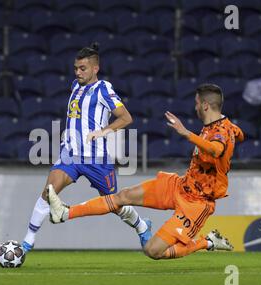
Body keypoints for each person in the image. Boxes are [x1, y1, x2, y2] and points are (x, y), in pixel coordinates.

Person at [48, 83, 244, 259]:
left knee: (153, 251)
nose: (195, 107)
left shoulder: (221, 131)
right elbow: (238, 135)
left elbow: (217, 149)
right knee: (123, 196)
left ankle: (206, 242)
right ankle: (65, 213)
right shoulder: (222, 128)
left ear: (205, 106)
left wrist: (187, 134)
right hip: (180, 185)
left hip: (197, 203)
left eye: (196, 103)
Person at [22, 43, 152, 253]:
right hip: (70, 155)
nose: (78, 72)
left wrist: (103, 131)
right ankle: (27, 242)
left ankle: (142, 226)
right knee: (48, 191)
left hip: (97, 159)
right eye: (76, 68)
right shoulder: (75, 85)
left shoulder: (104, 89)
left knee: (114, 204)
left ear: (95, 69)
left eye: (83, 68)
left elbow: (126, 118)